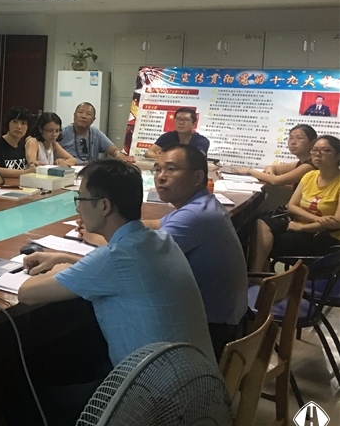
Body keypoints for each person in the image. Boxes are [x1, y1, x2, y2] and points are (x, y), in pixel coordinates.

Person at [15, 160, 212, 426]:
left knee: (23, 402)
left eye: (81, 199)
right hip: (197, 391)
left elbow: (26, 293)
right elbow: (115, 268)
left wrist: (60, 270)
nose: (78, 208)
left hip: (150, 404)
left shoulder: (113, 258)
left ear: (104, 206)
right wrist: (65, 259)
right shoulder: (161, 241)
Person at [143, 145, 248, 359]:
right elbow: (156, 224)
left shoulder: (194, 215)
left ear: (198, 176)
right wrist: (117, 225)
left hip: (211, 331)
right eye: (158, 169)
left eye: (171, 169)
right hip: (224, 317)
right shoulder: (202, 204)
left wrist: (98, 235)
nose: (161, 177)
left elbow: (141, 256)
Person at [250, 134, 340, 271]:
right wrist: (316, 218)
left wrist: (302, 228)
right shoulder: (310, 176)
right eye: (314, 150)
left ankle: (267, 275)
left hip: (326, 236)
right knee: (260, 223)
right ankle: (256, 274)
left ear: (338, 156)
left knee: (269, 241)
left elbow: (336, 222)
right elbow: (292, 206)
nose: (318, 154)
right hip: (302, 225)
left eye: (325, 150)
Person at [237, 124, 316, 187]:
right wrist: (270, 172)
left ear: (313, 143)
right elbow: (272, 167)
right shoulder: (301, 162)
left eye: (299, 138)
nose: (293, 142)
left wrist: (250, 171)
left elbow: (276, 181)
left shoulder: (310, 165)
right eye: (291, 138)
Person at [59, 102, 135, 164]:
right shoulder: (62, 133)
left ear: (93, 120)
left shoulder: (96, 133)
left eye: (88, 114)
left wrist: (122, 157)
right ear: (74, 115)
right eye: (80, 112)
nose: (83, 116)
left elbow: (114, 151)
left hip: (91, 172)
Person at [0, 107, 38, 181]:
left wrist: (31, 165)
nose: (19, 127)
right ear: (8, 124)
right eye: (15, 122)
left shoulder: (21, 146)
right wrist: (24, 172)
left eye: (23, 123)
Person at [143, 107, 210, 157]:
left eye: (185, 120)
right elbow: (148, 152)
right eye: (178, 119)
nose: (181, 122)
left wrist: (166, 155)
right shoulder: (167, 137)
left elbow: (197, 157)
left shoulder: (202, 141)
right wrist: (160, 157)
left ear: (193, 124)